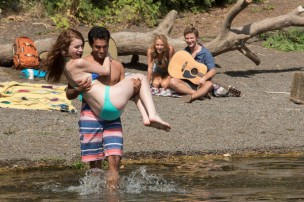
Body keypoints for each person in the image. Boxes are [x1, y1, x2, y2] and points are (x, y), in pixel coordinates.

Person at [45, 28, 171, 188]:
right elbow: (69, 94)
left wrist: (134, 87)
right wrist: (77, 90)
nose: (102, 50)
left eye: (105, 47)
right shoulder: (82, 62)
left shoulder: (116, 66)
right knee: (95, 165)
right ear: (91, 45)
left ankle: (112, 194)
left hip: (112, 114)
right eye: (98, 47)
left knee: (114, 160)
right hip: (91, 115)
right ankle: (96, 195)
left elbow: (130, 94)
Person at [169, 27, 217, 103]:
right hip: (187, 83)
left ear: (197, 38)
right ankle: (197, 94)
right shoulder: (185, 52)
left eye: (192, 38)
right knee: (172, 81)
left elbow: (213, 70)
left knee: (209, 84)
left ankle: (191, 97)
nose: (189, 40)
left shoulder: (205, 53)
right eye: (187, 38)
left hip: (201, 83)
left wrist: (204, 78)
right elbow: (177, 65)